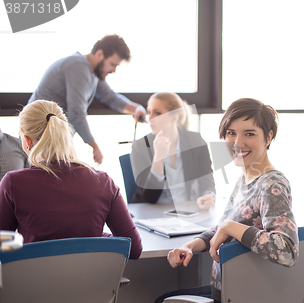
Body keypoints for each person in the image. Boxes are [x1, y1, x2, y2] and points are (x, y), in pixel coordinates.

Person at [144, 98, 299, 303]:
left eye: (249, 134)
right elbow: (226, 227)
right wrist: (193, 244)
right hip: (228, 295)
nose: (238, 143)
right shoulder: (246, 176)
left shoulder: (270, 184)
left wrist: (230, 226)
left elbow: (287, 250)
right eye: (230, 133)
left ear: (268, 137)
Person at [0, 100, 142, 259]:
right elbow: (134, 249)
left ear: (26, 140)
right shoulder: (103, 182)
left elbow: (2, 249)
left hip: (34, 283)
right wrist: (94, 239)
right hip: (91, 283)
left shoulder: (13, 183)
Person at [28, 34, 147, 164]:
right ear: (100, 54)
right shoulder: (78, 67)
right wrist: (94, 146)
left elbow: (110, 97)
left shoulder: (93, 73)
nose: (113, 70)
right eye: (113, 64)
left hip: (52, 137)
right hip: (39, 136)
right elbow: (77, 113)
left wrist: (135, 108)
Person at [130, 92, 215, 209]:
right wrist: (158, 159)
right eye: (149, 112)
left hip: (187, 210)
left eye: (157, 113)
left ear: (175, 116)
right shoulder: (140, 146)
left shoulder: (196, 141)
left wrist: (208, 195)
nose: (149, 119)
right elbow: (149, 198)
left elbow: (207, 181)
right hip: (151, 212)